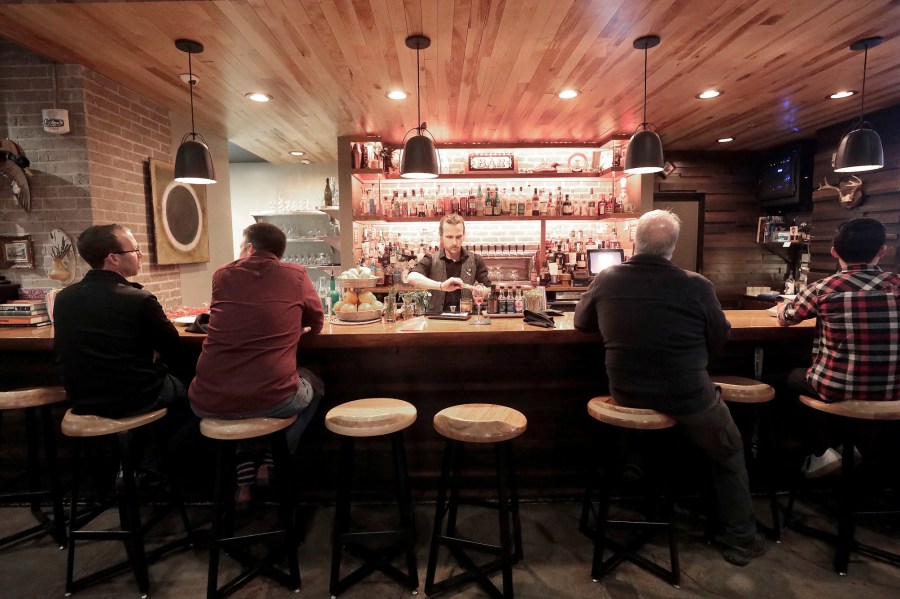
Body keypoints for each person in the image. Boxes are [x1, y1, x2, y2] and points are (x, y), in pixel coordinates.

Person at [574, 209, 766, 566]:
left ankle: (636, 469)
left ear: (635, 243)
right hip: (689, 397)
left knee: (650, 437)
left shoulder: (608, 278)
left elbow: (580, 323)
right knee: (727, 452)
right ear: (673, 248)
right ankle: (741, 541)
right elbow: (721, 336)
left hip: (626, 395)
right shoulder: (697, 285)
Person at [189, 222, 325, 502]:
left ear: (249, 248)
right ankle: (271, 456)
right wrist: (291, 324)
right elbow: (317, 321)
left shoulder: (222, 275)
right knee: (315, 383)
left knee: (240, 405)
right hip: (273, 397)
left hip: (208, 399)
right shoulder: (296, 274)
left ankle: (244, 471)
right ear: (280, 252)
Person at [54, 224, 193, 476]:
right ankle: (153, 467)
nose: (140, 255)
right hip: (135, 399)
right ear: (114, 258)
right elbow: (174, 349)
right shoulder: (138, 300)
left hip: (82, 400)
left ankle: (129, 466)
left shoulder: (63, 298)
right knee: (195, 394)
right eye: (135, 250)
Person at [774, 218, 899, 477]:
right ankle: (854, 452)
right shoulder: (897, 285)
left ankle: (819, 452)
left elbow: (786, 318)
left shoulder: (821, 289)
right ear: (882, 250)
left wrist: (780, 308)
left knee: (780, 382)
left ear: (834, 251)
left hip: (837, 387)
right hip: (894, 391)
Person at [407, 214, 490, 313]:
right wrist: (441, 286)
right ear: (441, 237)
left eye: (458, 237)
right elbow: (411, 278)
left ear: (464, 236)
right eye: (449, 237)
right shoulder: (431, 259)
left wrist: (480, 291)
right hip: (436, 320)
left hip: (467, 320)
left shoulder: (475, 260)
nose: (454, 242)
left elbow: (488, 287)